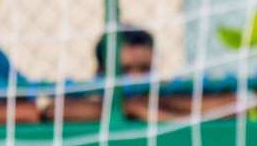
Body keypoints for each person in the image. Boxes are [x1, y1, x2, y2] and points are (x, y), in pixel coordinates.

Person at [48, 25, 239, 124]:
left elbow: (235, 105)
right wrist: (128, 107)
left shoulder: (166, 94)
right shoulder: (86, 100)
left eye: (144, 69)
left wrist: (156, 106)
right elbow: (51, 111)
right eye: (125, 70)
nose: (136, 78)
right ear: (100, 72)